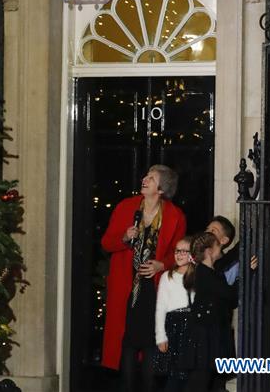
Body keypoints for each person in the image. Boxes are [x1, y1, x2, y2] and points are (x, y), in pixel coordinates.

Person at [101, 165, 187, 392]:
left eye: (151, 178)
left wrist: (162, 264)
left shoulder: (175, 215)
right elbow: (106, 243)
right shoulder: (125, 207)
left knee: (150, 342)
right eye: (145, 176)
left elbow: (178, 253)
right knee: (126, 342)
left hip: (155, 288)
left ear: (161, 188)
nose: (144, 180)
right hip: (126, 286)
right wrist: (123, 237)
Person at [184, 232, 239, 392]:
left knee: (210, 380)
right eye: (217, 245)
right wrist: (243, 277)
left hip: (211, 334)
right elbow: (230, 295)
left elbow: (231, 299)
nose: (220, 247)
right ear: (208, 251)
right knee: (200, 380)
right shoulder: (204, 273)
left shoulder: (210, 272)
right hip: (205, 336)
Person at [154, 235, 194, 392]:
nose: (179, 254)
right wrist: (160, 336)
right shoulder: (167, 277)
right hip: (173, 327)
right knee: (174, 374)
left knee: (189, 375)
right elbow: (161, 308)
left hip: (192, 328)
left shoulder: (198, 276)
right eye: (177, 251)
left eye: (184, 251)